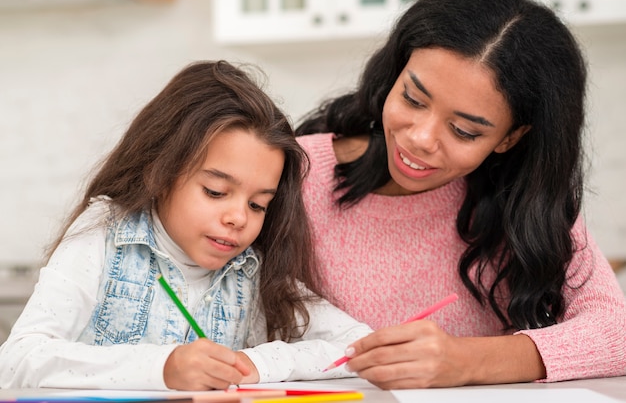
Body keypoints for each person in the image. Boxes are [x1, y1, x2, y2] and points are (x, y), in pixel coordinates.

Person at [295, 0, 626, 390]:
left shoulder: (522, 198)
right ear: (396, 71)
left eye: (464, 130)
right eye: (413, 100)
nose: (421, 138)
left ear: (510, 137)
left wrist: (466, 361)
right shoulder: (295, 173)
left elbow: (616, 333)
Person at [0, 60, 372, 390]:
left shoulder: (252, 268)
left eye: (258, 204)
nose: (238, 218)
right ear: (160, 172)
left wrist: (256, 364)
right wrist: (162, 368)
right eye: (215, 191)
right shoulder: (104, 231)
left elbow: (359, 344)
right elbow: (16, 360)